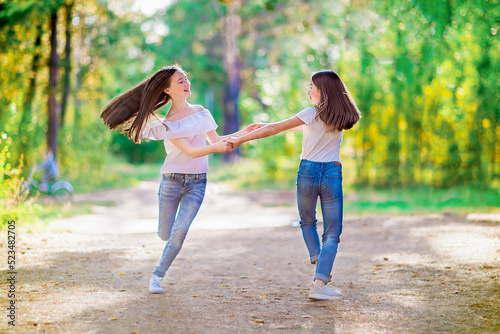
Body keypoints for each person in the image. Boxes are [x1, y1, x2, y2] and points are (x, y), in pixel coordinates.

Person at [100, 65, 261, 293]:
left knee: (179, 232)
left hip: (197, 182)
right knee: (166, 233)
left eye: (186, 80)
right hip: (172, 181)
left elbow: (217, 138)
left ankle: (157, 276)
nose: (187, 84)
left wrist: (245, 132)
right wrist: (216, 148)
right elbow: (192, 151)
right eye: (181, 82)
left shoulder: (201, 112)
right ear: (167, 90)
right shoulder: (168, 124)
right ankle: (165, 241)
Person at [229, 70, 361, 300]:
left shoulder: (311, 113)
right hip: (331, 172)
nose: (308, 90)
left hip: (308, 172)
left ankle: (319, 264)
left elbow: (276, 129)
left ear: (323, 90)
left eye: (311, 86)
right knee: (332, 234)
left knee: (307, 221)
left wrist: (240, 138)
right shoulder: (341, 115)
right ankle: (321, 275)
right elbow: (294, 126)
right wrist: (267, 124)